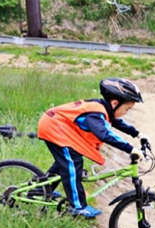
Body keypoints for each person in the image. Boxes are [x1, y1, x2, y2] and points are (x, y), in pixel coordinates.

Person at [37, 78, 149, 218]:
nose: (126, 112)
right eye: (127, 109)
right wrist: (130, 149)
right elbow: (105, 134)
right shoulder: (95, 113)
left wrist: (138, 134)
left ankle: (39, 189)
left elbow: (116, 122)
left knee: (65, 162)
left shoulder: (103, 109)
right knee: (73, 163)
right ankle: (78, 207)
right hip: (55, 129)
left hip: (58, 127)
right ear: (115, 103)